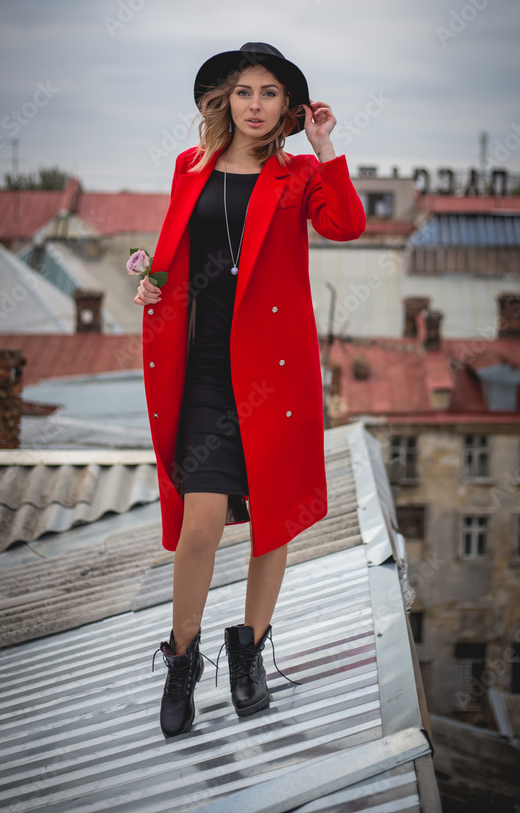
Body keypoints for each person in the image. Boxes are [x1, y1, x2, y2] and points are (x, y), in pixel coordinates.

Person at [134, 42, 366, 738]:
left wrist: (325, 146)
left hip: (275, 373)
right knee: (199, 522)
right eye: (244, 92)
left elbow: (346, 225)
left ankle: (251, 650)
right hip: (204, 366)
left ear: (286, 108)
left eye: (269, 94)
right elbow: (174, 250)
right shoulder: (191, 167)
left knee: (272, 515)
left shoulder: (297, 177)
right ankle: (182, 660)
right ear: (224, 101)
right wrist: (150, 278)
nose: (256, 105)